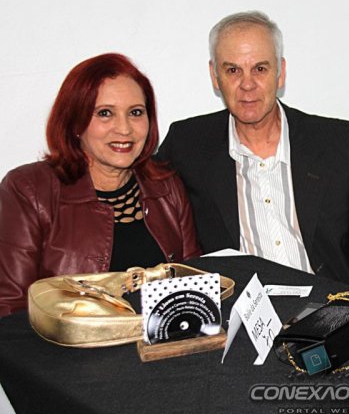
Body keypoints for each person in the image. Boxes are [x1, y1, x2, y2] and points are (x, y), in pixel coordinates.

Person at [157, 11, 349, 286]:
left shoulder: (343, 143)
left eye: (260, 69)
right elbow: (145, 198)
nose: (247, 84)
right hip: (240, 308)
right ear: (215, 76)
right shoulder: (187, 145)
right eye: (233, 70)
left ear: (280, 72)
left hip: (332, 303)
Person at [0, 53, 201, 317]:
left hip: (164, 340)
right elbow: (9, 308)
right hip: (64, 344)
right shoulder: (29, 190)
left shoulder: (167, 186)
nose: (124, 129)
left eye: (135, 113)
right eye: (105, 113)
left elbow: (195, 288)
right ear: (75, 122)